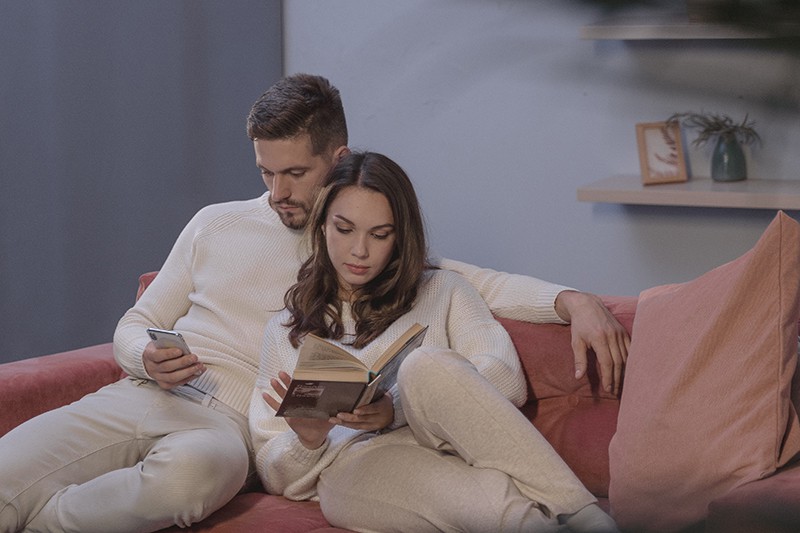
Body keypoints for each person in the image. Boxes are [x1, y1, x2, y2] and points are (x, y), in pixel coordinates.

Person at [0, 73, 626, 533]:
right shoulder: (215, 225)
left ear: (338, 157)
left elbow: (465, 284)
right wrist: (143, 355)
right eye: (266, 172)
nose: (277, 193)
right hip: (144, 392)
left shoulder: (356, 241)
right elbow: (137, 322)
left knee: (189, 479)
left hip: (229, 424)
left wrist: (572, 300)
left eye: (294, 174)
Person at [251, 150, 619, 532]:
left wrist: (396, 409)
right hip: (353, 466)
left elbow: (507, 379)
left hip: (440, 441)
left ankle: (585, 515)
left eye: (380, 235)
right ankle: (583, 519)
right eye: (344, 230)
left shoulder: (444, 289)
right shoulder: (284, 331)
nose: (360, 251)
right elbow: (274, 473)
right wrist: (308, 440)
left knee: (424, 364)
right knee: (508, 513)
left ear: (400, 236)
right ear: (322, 226)